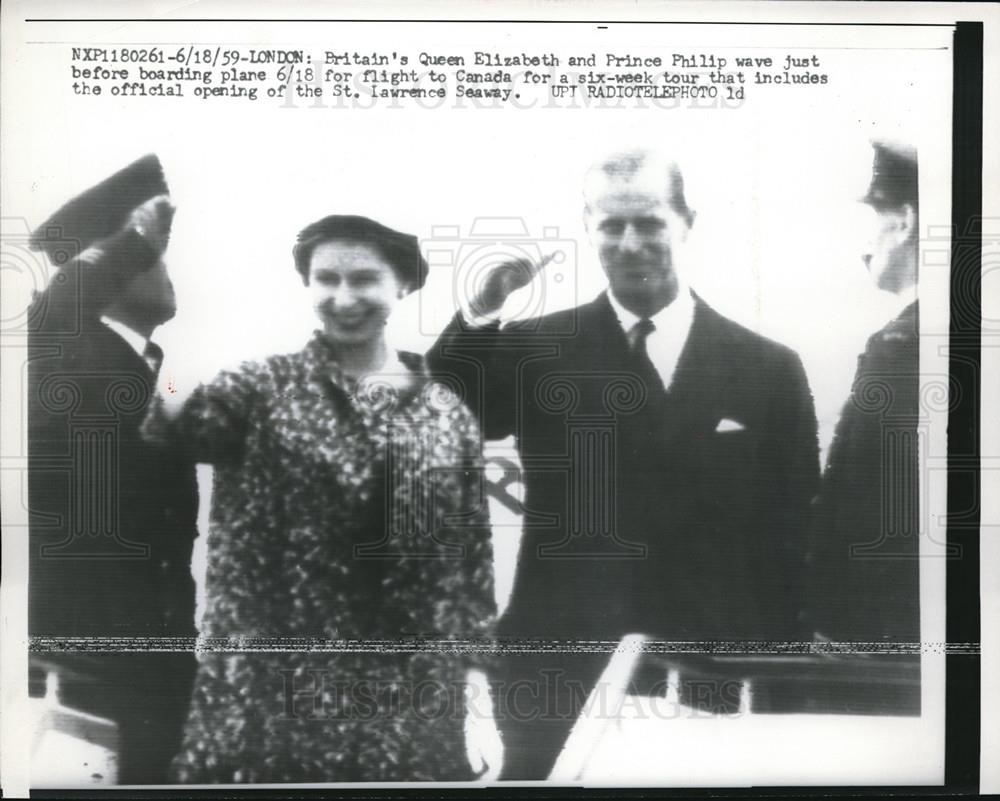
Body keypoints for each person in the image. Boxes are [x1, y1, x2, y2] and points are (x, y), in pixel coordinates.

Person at [428, 149, 821, 779]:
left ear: (687, 221)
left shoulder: (767, 365)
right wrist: (480, 312)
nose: (630, 242)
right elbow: (442, 407)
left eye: (650, 223)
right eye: (611, 225)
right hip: (558, 659)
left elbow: (796, 524)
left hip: (706, 664)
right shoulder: (535, 347)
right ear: (588, 227)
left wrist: (782, 666)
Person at [143, 214, 497, 783]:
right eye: (325, 279)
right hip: (273, 700)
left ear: (402, 284)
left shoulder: (446, 414)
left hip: (407, 711)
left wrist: (478, 697)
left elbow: (472, 567)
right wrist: (182, 363)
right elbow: (170, 430)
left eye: (364, 279)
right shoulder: (259, 389)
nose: (343, 297)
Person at [27, 155, 199, 783]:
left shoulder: (144, 373)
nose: (164, 267)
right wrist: (133, 243)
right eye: (151, 255)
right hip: (86, 683)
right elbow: (49, 317)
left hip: (156, 680)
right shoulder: (59, 361)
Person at [808, 142, 921, 667]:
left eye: (873, 217)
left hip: (881, 646)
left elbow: (866, 514)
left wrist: (837, 634)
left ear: (905, 221)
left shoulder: (903, 347)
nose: (865, 242)